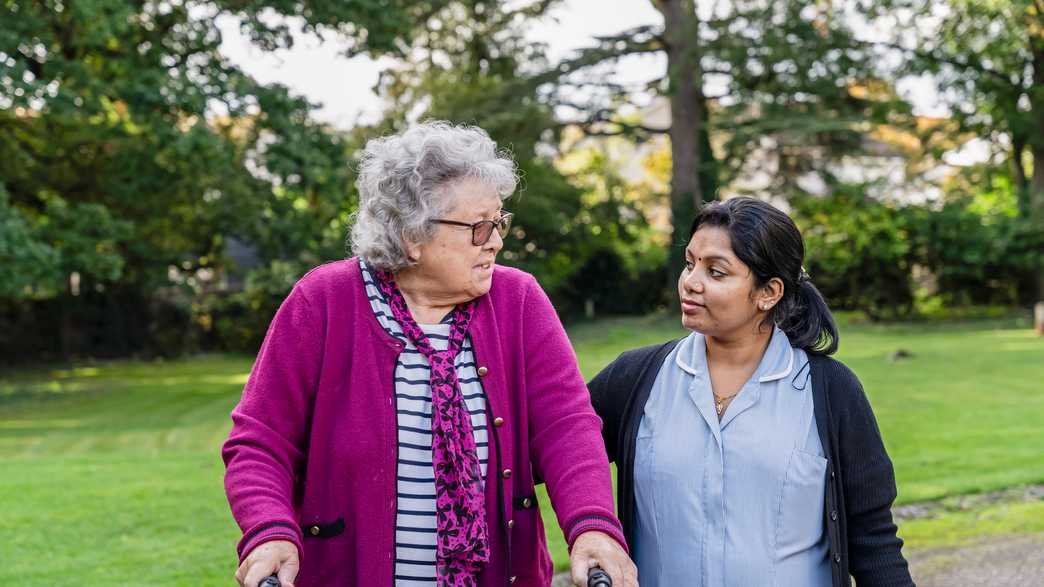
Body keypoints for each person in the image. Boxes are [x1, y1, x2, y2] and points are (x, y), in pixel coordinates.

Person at [223, 121, 636, 587]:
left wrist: (592, 524)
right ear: (410, 237)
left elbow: (567, 428)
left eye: (498, 222)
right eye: (479, 228)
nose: (496, 241)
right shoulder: (323, 300)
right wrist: (268, 530)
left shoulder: (518, 300)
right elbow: (260, 443)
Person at [588, 197, 914, 587]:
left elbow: (873, 539)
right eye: (690, 264)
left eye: (716, 272)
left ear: (769, 292)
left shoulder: (831, 392)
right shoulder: (635, 378)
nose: (691, 282)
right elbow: (548, 454)